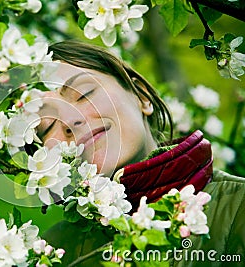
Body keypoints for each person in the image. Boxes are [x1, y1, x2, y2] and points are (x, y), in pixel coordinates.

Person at [36, 40, 245, 266]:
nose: (70, 120)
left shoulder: (238, 206)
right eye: (48, 125)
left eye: (84, 94)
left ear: (142, 97)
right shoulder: (50, 252)